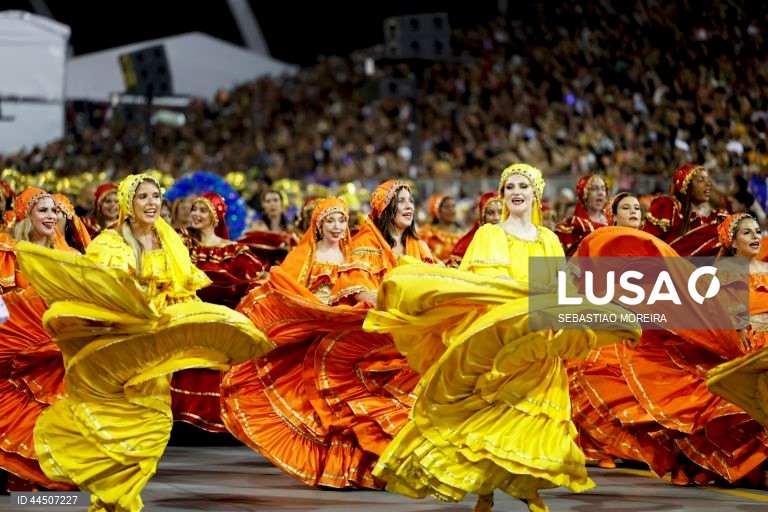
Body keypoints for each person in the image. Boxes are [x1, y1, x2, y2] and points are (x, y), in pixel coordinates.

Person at [363, 164, 640, 512]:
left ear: (535, 194)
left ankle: (528, 491)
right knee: (491, 416)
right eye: (509, 187)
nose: (515, 191)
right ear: (502, 194)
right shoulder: (490, 234)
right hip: (502, 341)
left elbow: (561, 289)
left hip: (539, 343)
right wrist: (530, 299)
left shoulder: (549, 239)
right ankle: (485, 492)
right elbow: (486, 287)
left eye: (523, 185)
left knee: (531, 419)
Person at [15, 174, 274, 511]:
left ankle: (119, 496)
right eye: (143, 197)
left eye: (156, 197)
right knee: (117, 420)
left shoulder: (169, 243)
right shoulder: (110, 243)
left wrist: (202, 330)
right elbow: (102, 294)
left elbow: (184, 291)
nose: (151, 203)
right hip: (121, 345)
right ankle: (112, 495)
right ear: (128, 204)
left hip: (154, 348)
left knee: (155, 423)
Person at [222, 197, 389, 488]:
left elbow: (367, 289)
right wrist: (313, 310)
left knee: (345, 403)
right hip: (312, 334)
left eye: (341, 220)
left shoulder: (355, 255)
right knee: (313, 403)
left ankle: (351, 467)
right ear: (318, 224)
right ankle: (326, 465)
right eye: (330, 221)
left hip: (344, 337)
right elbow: (286, 292)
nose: (337, 227)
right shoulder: (303, 256)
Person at [0, 188, 77, 492]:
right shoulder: (9, 254)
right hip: (18, 353)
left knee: (55, 414)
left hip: (59, 352)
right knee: (21, 412)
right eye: (42, 210)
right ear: (26, 215)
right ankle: (25, 487)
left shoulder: (70, 256)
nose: (50, 216)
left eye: (54, 211)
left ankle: (52, 483)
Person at [171, 192, 265, 434]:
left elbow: (256, 281)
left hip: (222, 320)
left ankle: (222, 421)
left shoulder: (234, 250)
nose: (196, 215)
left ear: (216, 216)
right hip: (188, 316)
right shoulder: (181, 243)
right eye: (194, 210)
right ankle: (182, 422)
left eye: (203, 211)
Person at [342, 179, 437, 307]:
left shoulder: (420, 246)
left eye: (410, 201)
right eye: (401, 201)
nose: (409, 206)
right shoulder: (364, 244)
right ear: (384, 209)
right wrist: (398, 303)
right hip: (377, 319)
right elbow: (358, 290)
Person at [642, 163, 726, 256]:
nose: (708, 184)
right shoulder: (669, 207)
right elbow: (648, 241)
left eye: (708, 180)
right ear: (686, 185)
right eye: (701, 180)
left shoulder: (717, 218)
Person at [555, 174, 608, 256]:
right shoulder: (571, 226)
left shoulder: (612, 222)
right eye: (594, 189)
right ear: (584, 194)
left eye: (603, 189)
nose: (600, 193)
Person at [447, 191, 502, 267]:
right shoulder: (466, 245)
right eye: (490, 213)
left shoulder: (515, 238)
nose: (496, 218)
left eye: (500, 212)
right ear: (483, 216)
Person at [417, 193, 463, 262]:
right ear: (437, 211)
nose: (452, 210)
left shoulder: (463, 235)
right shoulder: (426, 233)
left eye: (453, 206)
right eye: (447, 207)